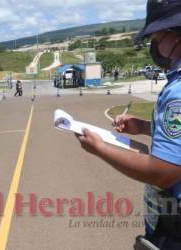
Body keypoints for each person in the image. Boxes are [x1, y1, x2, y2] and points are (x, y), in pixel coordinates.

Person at [75, 1, 181, 249]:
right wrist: (144, 127)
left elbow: (164, 172)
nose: (154, 45)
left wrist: (99, 148)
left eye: (156, 37)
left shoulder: (177, 93)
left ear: (175, 35)